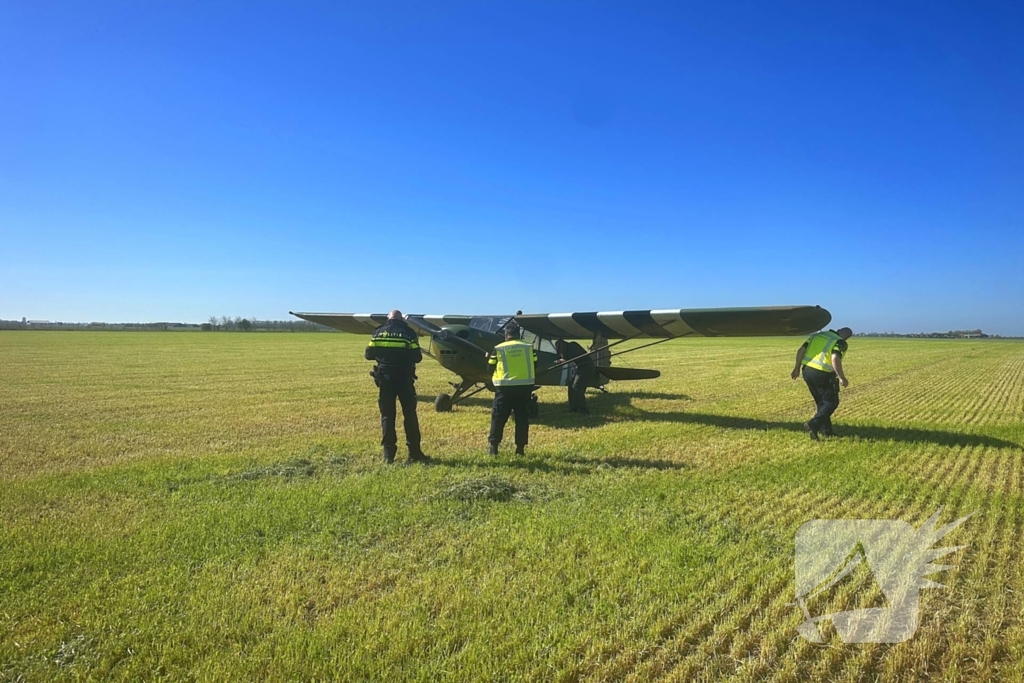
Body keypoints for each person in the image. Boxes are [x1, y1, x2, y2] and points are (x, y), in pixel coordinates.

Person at [365, 310, 430, 464]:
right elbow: (417, 357)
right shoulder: (408, 333)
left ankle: (389, 455)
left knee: (387, 415)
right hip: (404, 378)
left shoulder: (378, 332)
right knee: (410, 415)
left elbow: (368, 355)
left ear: (388, 318)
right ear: (401, 319)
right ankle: (414, 452)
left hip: (385, 379)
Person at [791, 326, 853, 440]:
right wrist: (842, 377)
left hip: (807, 371)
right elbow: (835, 358)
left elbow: (801, 350)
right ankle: (813, 424)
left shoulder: (817, 336)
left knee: (821, 402)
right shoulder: (840, 342)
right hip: (822, 374)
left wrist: (796, 367)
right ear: (846, 338)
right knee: (831, 402)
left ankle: (826, 431)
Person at [487, 324, 538, 456]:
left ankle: (493, 448)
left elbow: (489, 368)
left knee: (498, 417)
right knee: (522, 418)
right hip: (524, 388)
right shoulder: (528, 347)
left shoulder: (498, 348)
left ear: (506, 335)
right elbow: (535, 363)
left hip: (504, 389)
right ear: (519, 334)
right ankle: (520, 449)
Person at [556, 338, 596, 413]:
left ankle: (584, 410)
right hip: (581, 367)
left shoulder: (572, 346)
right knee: (571, 386)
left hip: (587, 367)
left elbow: (573, 357)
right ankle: (573, 409)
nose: (560, 351)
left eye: (560, 349)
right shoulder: (566, 350)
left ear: (563, 345)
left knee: (577, 387)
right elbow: (564, 358)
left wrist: (564, 360)